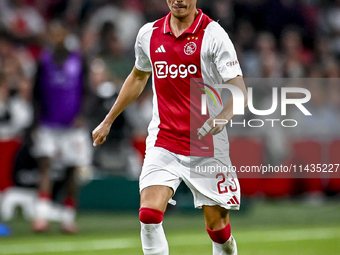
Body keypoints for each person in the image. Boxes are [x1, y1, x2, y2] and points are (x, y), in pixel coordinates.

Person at [92, 1, 247, 254]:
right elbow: (139, 76)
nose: (179, 0)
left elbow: (238, 89)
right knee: (149, 215)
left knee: (218, 229)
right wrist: (108, 120)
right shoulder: (148, 34)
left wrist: (222, 117)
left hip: (205, 142)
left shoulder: (214, 35)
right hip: (164, 140)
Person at [32, 20, 92, 234]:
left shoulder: (79, 60)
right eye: (53, 33)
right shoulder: (43, 61)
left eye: (59, 33)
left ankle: (68, 218)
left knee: (72, 172)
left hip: (72, 126)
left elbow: (86, 89)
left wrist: (83, 114)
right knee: (45, 166)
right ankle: (41, 216)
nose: (56, 37)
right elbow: (35, 92)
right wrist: (34, 122)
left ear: (66, 35)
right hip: (48, 125)